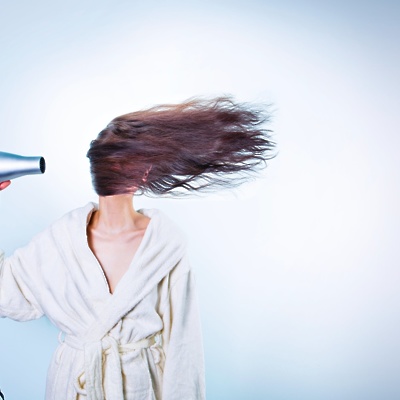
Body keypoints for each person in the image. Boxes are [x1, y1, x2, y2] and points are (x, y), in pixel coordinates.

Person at [0, 97, 275, 400]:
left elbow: (183, 350)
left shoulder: (164, 248)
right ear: (144, 173)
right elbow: (5, 294)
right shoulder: (60, 242)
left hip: (140, 389)